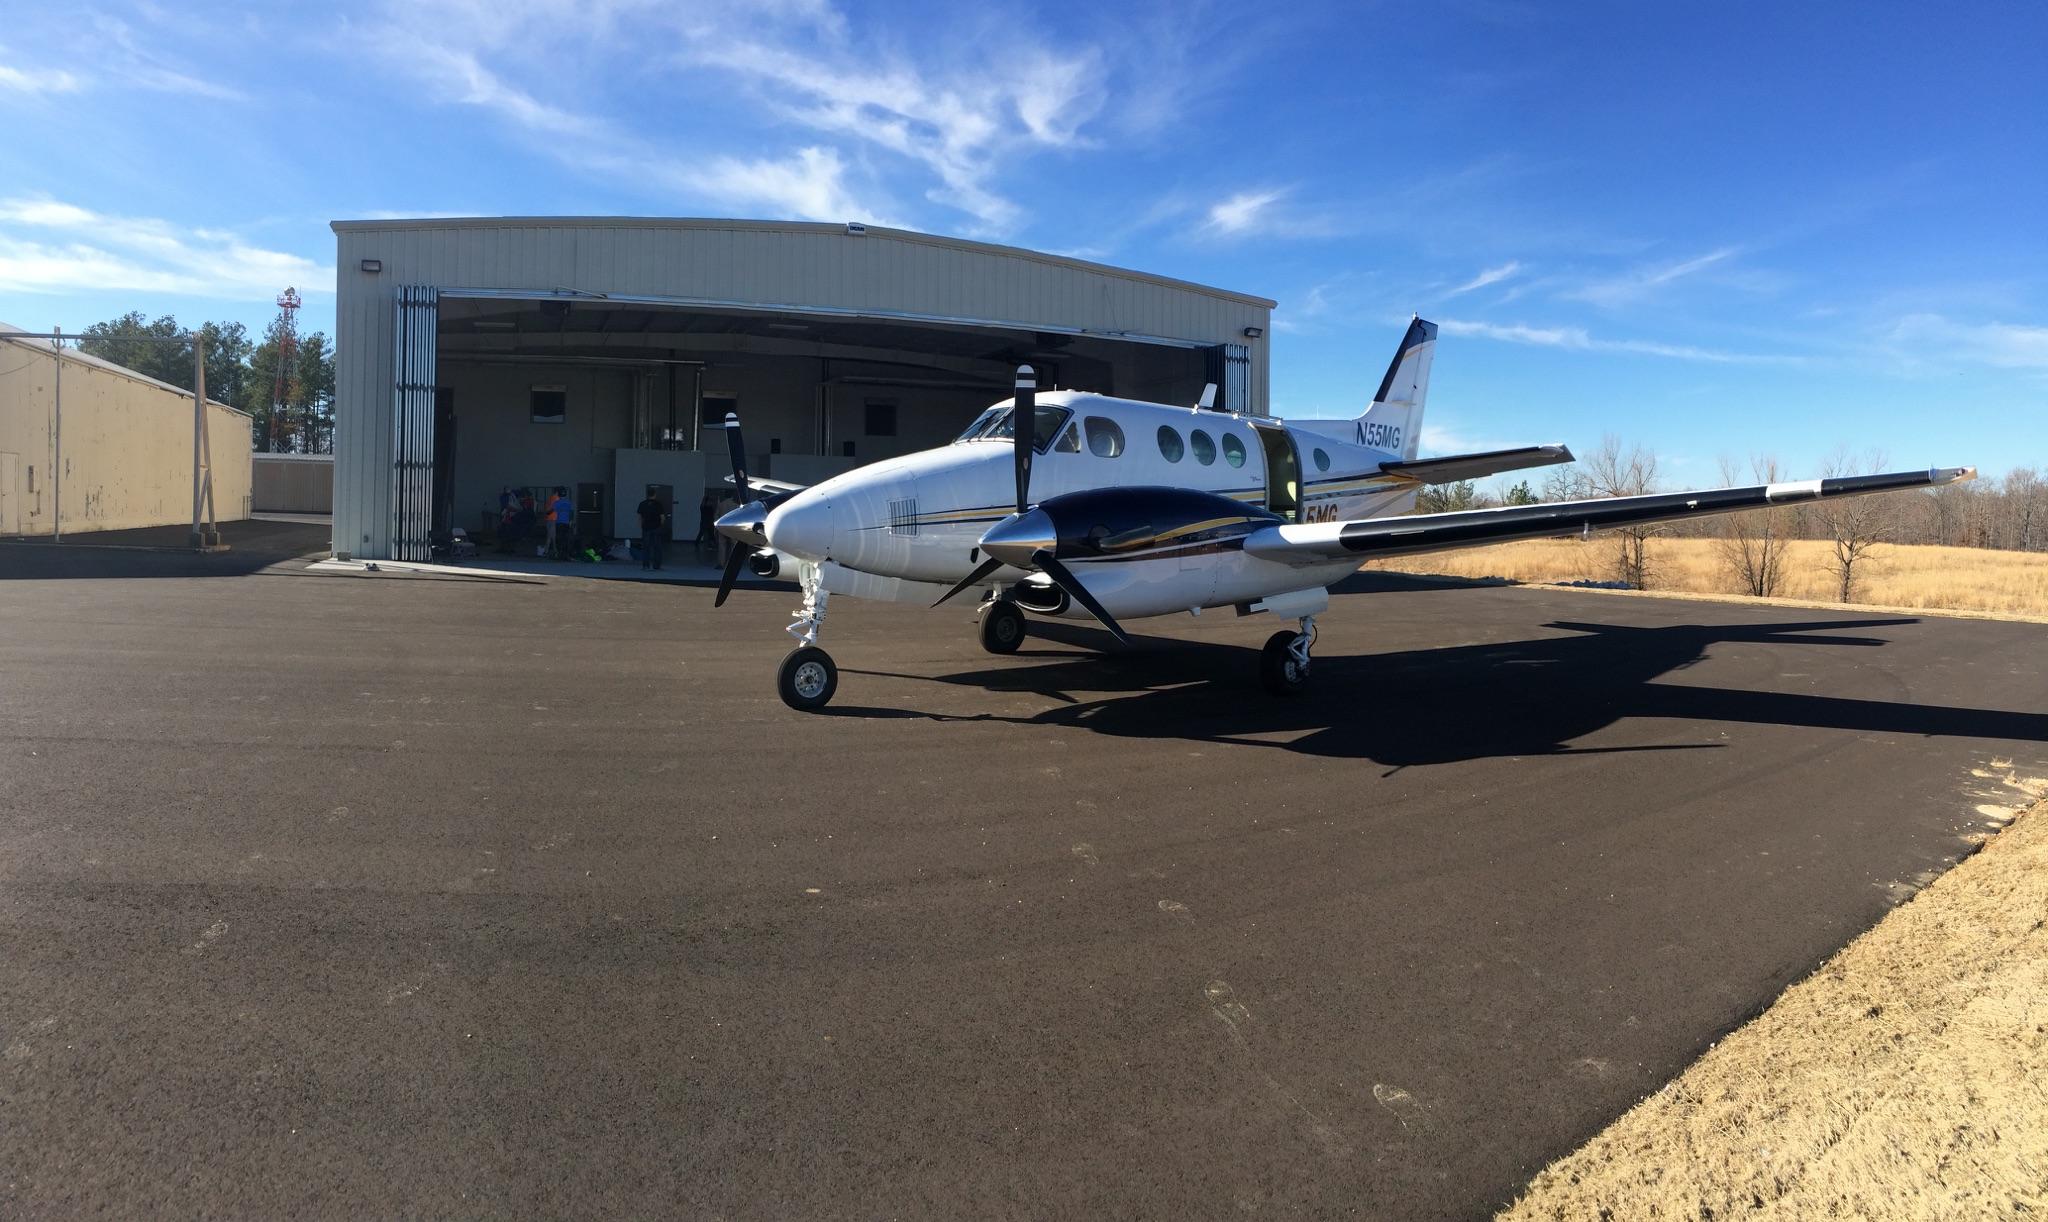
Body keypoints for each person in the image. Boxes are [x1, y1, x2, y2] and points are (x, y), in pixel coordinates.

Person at [637, 487, 669, 571]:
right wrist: (660, 525)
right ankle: (657, 565)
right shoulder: (658, 504)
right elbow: (662, 517)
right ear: (655, 494)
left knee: (646, 547)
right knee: (657, 547)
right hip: (656, 528)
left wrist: (641, 526)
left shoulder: (642, 504)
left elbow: (640, 517)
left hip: (646, 527)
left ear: (647, 494)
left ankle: (645, 566)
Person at [547, 486, 574, 559]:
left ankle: (559, 554)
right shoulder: (569, 502)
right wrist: (571, 521)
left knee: (559, 538)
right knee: (566, 538)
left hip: (559, 523)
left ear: (558, 494)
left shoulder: (557, 502)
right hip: (567, 523)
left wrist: (547, 512)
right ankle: (566, 554)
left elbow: (550, 511)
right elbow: (572, 513)